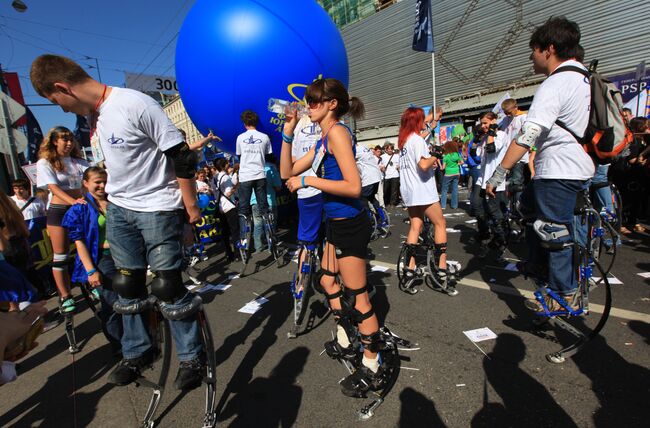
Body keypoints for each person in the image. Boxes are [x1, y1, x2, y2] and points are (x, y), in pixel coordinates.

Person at [31, 54, 205, 390]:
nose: (62, 110)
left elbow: (181, 155)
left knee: (167, 287)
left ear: (62, 87)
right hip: (120, 210)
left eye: (56, 101)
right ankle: (139, 350)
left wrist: (190, 207)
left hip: (156, 207)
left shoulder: (133, 103)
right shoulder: (96, 118)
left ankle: (191, 356)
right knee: (127, 286)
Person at [280, 78, 385, 396]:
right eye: (308, 101)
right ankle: (346, 335)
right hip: (335, 223)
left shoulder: (338, 133)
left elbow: (353, 186)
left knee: (361, 299)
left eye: (314, 101)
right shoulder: (324, 138)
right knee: (327, 282)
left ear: (332, 104)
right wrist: (287, 131)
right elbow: (287, 172)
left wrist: (309, 180)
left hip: (351, 224)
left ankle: (372, 364)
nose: (308, 106)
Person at [486, 17, 595, 312]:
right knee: (531, 210)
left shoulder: (556, 83)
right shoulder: (585, 77)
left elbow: (528, 135)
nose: (530, 56)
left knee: (554, 231)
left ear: (548, 49)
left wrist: (498, 174)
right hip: (576, 167)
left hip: (558, 169)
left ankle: (562, 294)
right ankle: (537, 265)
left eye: (533, 50)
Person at [61, 167, 122, 354]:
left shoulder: (117, 200)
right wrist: (90, 270)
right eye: (97, 182)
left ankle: (137, 341)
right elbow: (79, 243)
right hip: (102, 260)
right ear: (86, 183)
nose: (102, 185)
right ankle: (121, 346)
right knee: (112, 304)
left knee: (130, 298)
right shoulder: (79, 208)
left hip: (124, 255)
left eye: (105, 181)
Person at [397, 107, 456, 295]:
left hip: (409, 191)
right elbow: (423, 165)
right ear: (416, 121)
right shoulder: (416, 140)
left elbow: (421, 134)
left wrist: (432, 121)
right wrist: (436, 155)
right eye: (422, 120)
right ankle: (441, 268)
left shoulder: (405, 141)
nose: (424, 122)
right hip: (423, 190)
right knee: (440, 223)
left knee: (416, 227)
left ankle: (409, 269)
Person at [36, 126, 89, 314]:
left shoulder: (79, 161)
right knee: (61, 255)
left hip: (79, 208)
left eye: (70, 139)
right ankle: (65, 295)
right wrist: (73, 201)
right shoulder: (46, 163)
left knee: (87, 247)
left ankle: (92, 283)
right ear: (54, 142)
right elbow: (53, 188)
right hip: (59, 211)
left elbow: (92, 178)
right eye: (63, 139)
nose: (68, 143)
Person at [236, 110, 272, 249]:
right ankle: (270, 230)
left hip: (245, 175)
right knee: (263, 207)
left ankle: (244, 238)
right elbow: (269, 154)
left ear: (244, 123)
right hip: (260, 174)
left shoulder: (240, 138)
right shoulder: (264, 137)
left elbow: (239, 155)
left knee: (244, 209)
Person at [476, 112, 509, 260]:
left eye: (485, 123)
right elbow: (476, 153)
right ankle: (491, 236)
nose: (483, 126)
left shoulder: (500, 135)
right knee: (482, 209)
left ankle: (501, 241)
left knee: (495, 213)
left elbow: (491, 148)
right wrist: (477, 137)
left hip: (496, 181)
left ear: (494, 121)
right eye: (482, 123)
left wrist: (491, 132)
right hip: (484, 180)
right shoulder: (485, 137)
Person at [250, 154, 282, 252]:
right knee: (270, 224)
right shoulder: (272, 169)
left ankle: (258, 247)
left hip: (254, 201)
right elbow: (278, 186)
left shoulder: (254, 168)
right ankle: (271, 247)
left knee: (257, 225)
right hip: (268, 201)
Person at [500, 98, 529, 201]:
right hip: (506, 155)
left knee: (517, 183)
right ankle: (511, 205)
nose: (507, 115)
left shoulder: (523, 117)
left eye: (509, 112)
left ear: (516, 107)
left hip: (518, 156)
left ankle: (518, 206)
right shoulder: (505, 120)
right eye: (505, 113)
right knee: (509, 183)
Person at [213, 158, 238, 262]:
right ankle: (237, 253)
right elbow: (228, 192)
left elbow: (215, 193)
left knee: (225, 232)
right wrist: (237, 186)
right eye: (227, 162)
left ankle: (229, 254)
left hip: (220, 207)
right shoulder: (226, 177)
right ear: (224, 165)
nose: (229, 164)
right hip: (229, 206)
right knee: (235, 230)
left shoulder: (214, 178)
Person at [439, 139, 463, 210]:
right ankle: (454, 205)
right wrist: (456, 164)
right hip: (456, 173)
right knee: (455, 189)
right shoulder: (457, 154)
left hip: (448, 174)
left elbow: (443, 168)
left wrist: (440, 167)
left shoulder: (446, 157)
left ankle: (443, 205)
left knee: (444, 190)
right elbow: (462, 162)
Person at [380, 142, 400, 206]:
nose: (390, 150)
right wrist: (382, 168)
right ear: (386, 150)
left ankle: (393, 203)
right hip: (386, 176)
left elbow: (400, 164)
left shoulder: (397, 156)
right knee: (386, 190)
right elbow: (380, 165)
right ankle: (386, 202)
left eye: (391, 149)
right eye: (388, 149)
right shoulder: (382, 157)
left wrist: (399, 167)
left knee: (394, 190)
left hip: (395, 175)